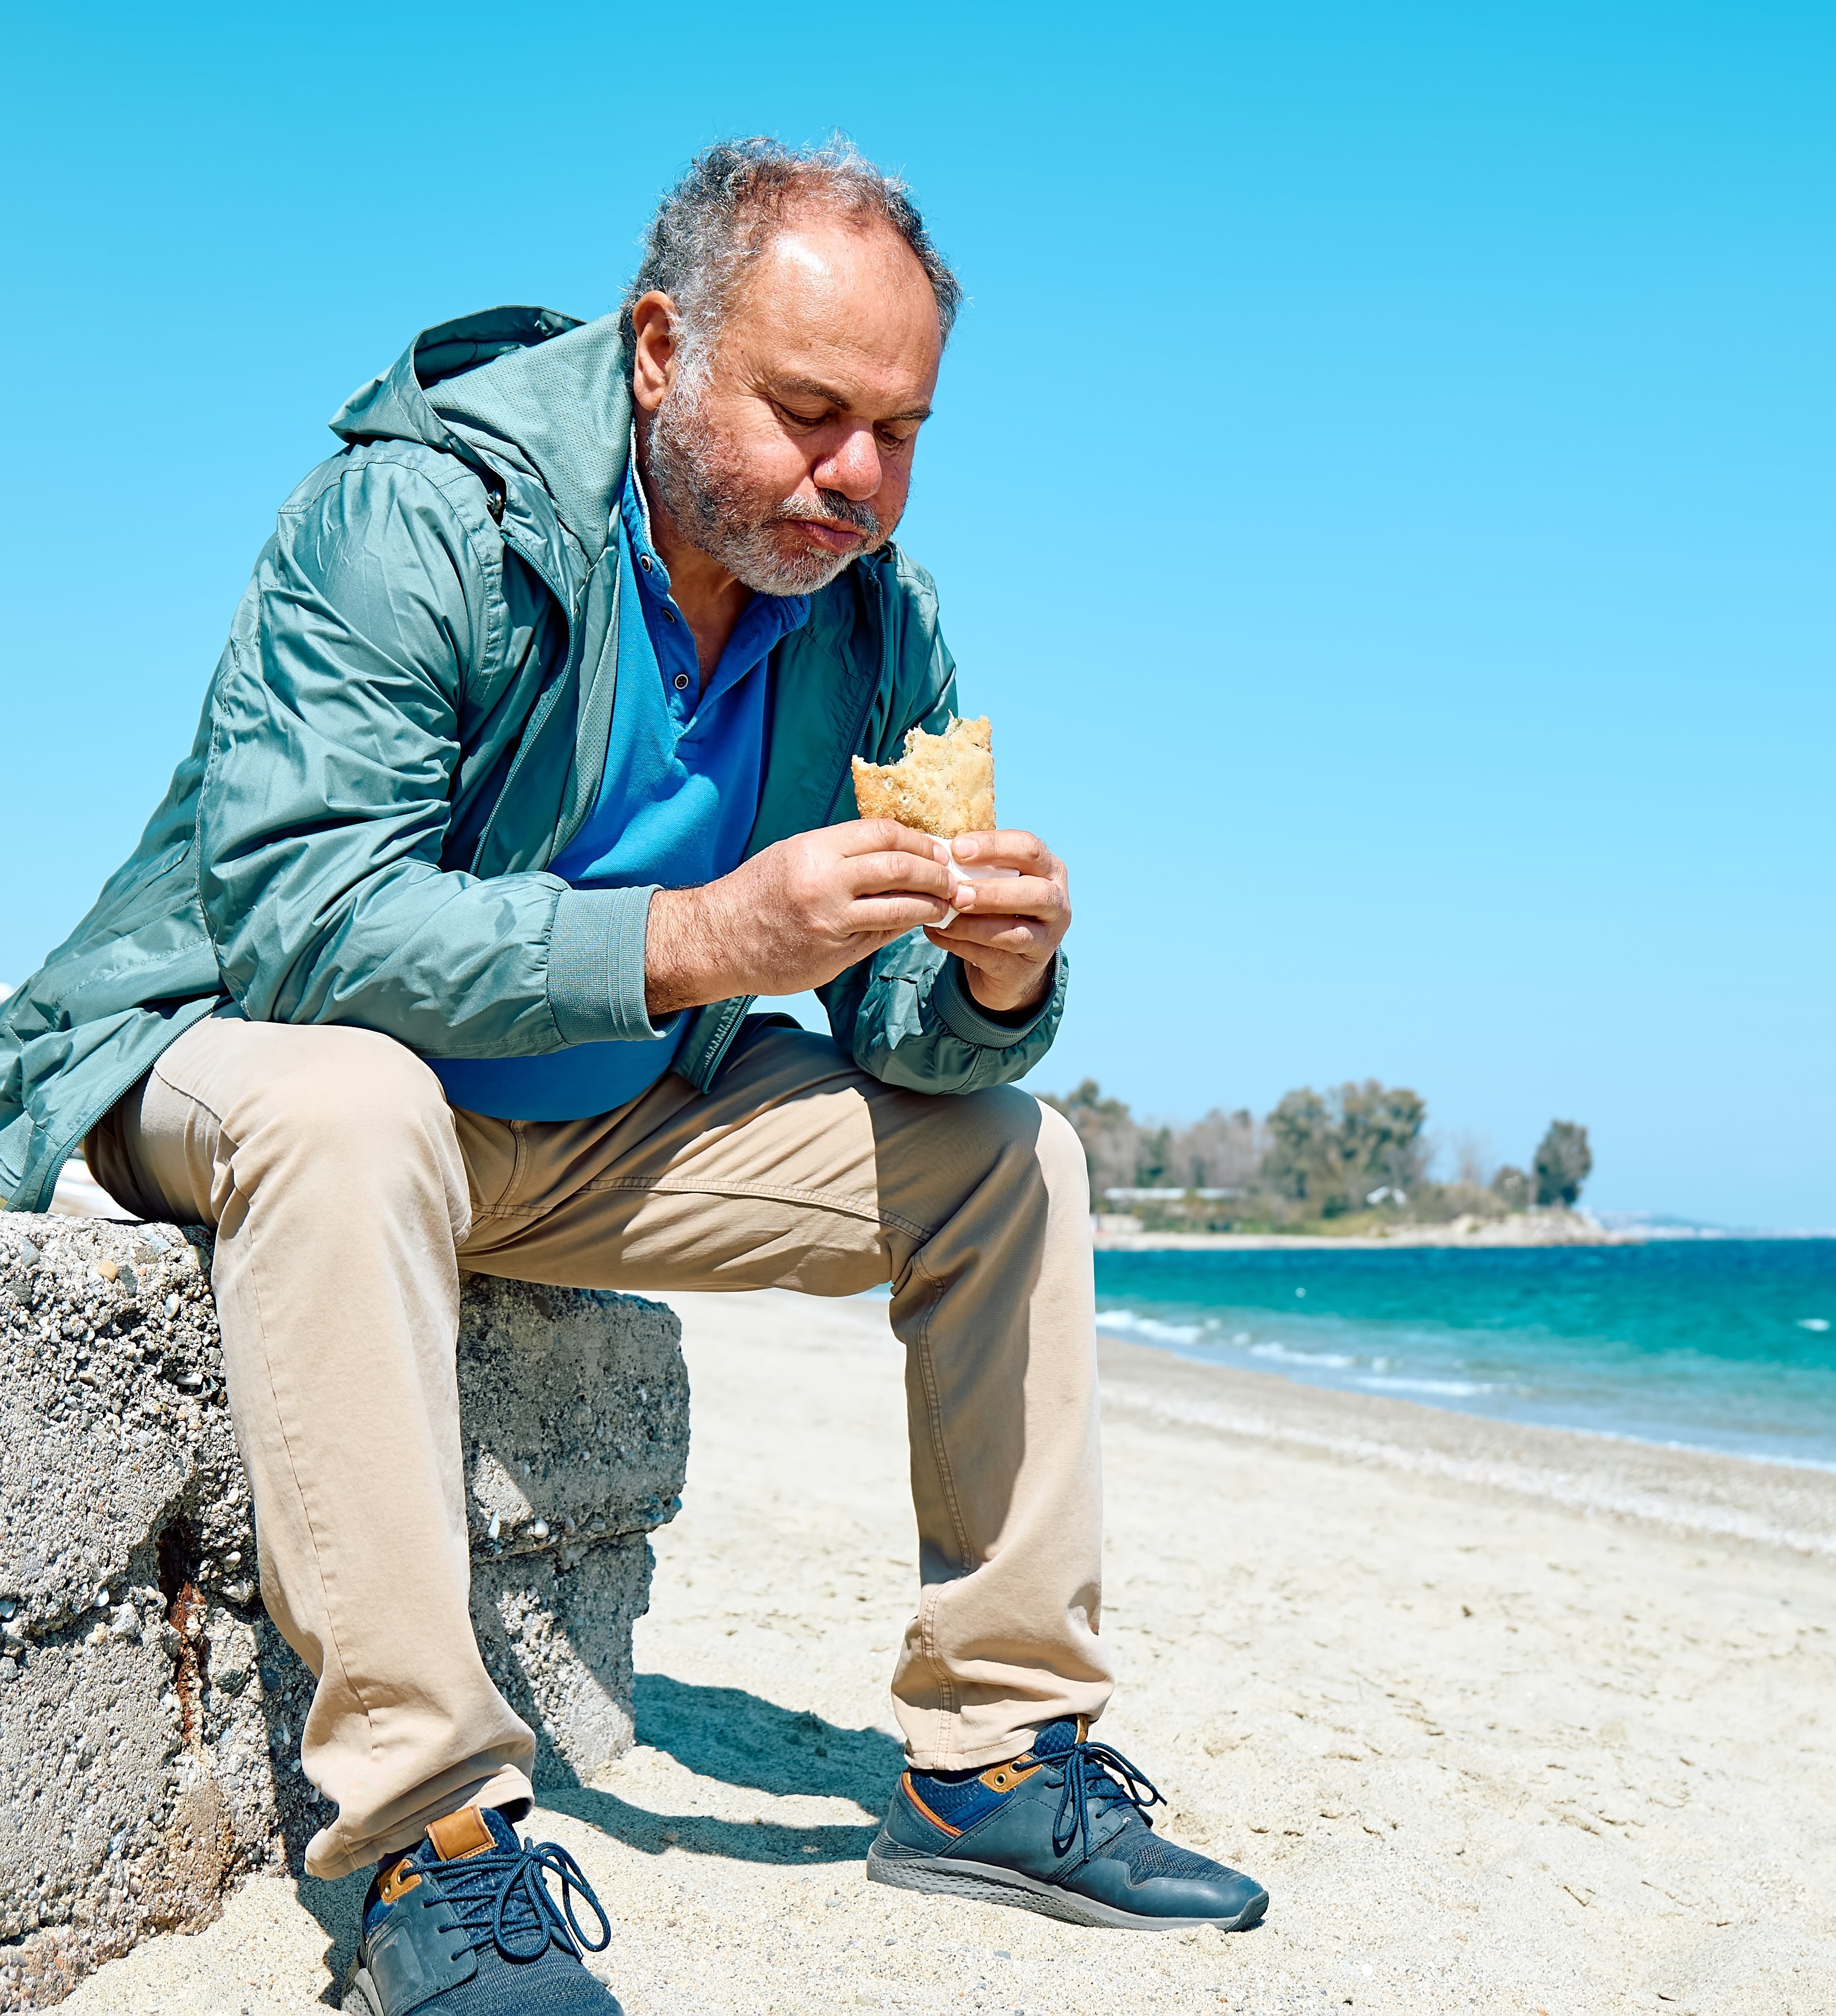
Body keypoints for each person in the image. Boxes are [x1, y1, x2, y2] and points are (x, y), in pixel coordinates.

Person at [0, 138, 1264, 2013]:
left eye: (899, 431)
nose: (857, 481)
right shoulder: (419, 519)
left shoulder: (871, 616)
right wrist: (706, 940)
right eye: (811, 412)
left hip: (588, 1129)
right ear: (663, 347)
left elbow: (899, 1026)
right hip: (241, 1065)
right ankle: (423, 1840)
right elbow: (300, 927)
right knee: (354, 1111)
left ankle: (996, 1756)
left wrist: (993, 980)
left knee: (1008, 1153)